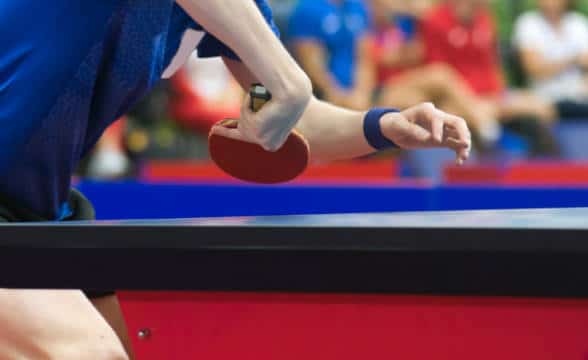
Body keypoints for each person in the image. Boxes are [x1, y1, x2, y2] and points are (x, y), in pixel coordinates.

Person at [0, 0, 470, 359]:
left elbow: (294, 119)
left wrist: (382, 126)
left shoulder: (228, 14)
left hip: (39, 216)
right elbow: (288, 90)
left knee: (144, 344)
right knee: (87, 352)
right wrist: (288, 78)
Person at [421, 0, 560, 154]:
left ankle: (544, 170)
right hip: (459, 101)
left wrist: (500, 100)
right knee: (466, 114)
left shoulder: (485, 19)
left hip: (492, 98)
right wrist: (479, 104)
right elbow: (438, 75)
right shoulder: (435, 20)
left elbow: (493, 66)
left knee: (544, 108)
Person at [370, 0, 500, 146]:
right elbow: (376, 57)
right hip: (386, 90)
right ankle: (483, 121)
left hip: (420, 91)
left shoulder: (417, 23)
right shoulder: (367, 26)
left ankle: (479, 128)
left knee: (432, 107)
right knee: (440, 76)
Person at [287, 0, 375, 110]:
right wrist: (338, 96)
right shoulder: (308, 9)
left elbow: (365, 59)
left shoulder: (359, 6)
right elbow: (312, 66)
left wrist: (362, 94)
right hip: (322, 96)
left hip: (356, 94)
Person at [513, 0, 588, 119]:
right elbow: (534, 69)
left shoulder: (579, 23)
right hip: (545, 98)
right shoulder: (528, 23)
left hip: (580, 95)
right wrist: (573, 60)